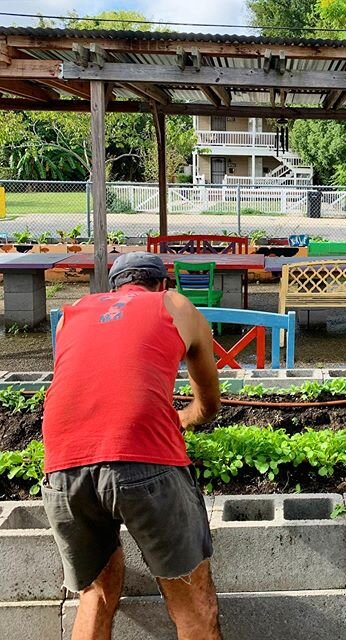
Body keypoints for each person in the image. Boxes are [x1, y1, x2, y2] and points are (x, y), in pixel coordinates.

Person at [42, 252, 223, 640]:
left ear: (112, 288)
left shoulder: (74, 312)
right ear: (162, 284)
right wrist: (184, 418)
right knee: (194, 606)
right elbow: (209, 405)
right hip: (146, 459)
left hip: (64, 464)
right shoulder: (174, 304)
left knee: (97, 591)